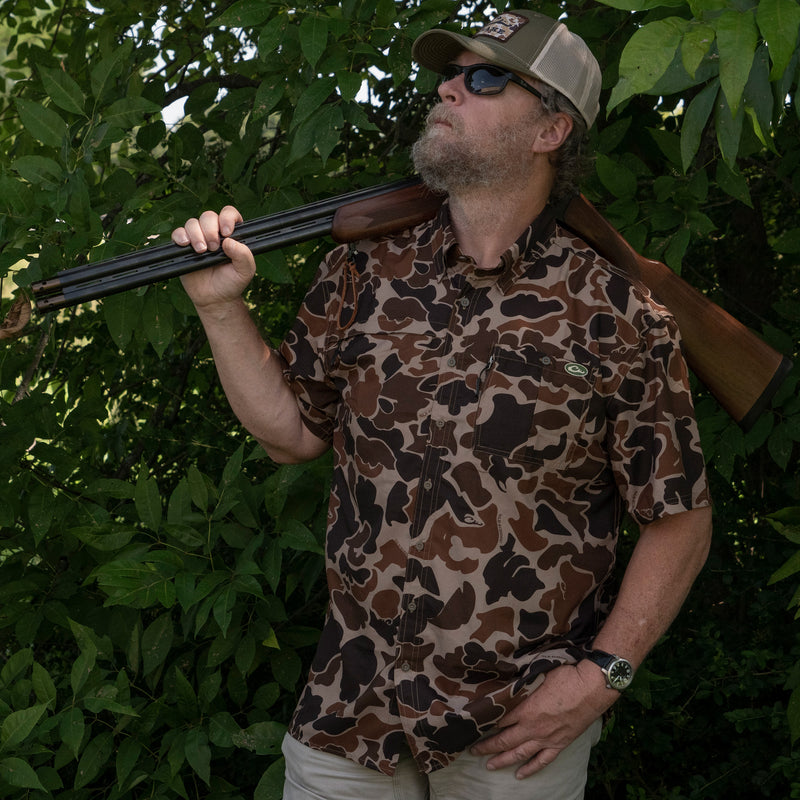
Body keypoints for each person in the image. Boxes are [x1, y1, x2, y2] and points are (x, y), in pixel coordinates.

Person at [172, 9, 713, 800]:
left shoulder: (619, 315)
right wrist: (220, 307)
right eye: (449, 73)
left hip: (516, 728)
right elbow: (291, 434)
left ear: (551, 130)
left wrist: (602, 679)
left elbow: (680, 517)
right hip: (348, 708)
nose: (449, 89)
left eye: (485, 77)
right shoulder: (364, 272)